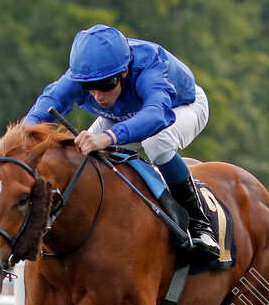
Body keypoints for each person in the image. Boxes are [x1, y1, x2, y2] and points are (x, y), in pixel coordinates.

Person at [24, 24, 220, 260]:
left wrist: (107, 137)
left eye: (106, 85)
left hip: (180, 106)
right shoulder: (84, 75)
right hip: (122, 114)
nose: (97, 96)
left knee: (157, 142)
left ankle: (200, 226)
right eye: (89, 88)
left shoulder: (149, 63)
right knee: (83, 154)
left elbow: (157, 114)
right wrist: (19, 138)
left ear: (125, 71)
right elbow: (44, 107)